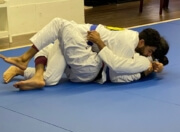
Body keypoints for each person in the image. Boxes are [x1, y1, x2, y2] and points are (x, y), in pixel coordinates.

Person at [0, 18, 166, 90]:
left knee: (59, 25)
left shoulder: (141, 56)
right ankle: (24, 71)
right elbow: (117, 67)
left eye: (151, 54)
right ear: (143, 43)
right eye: (149, 52)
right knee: (50, 78)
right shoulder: (129, 41)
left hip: (88, 58)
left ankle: (24, 58)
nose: (148, 55)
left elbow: (116, 69)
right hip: (80, 45)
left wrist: (100, 44)